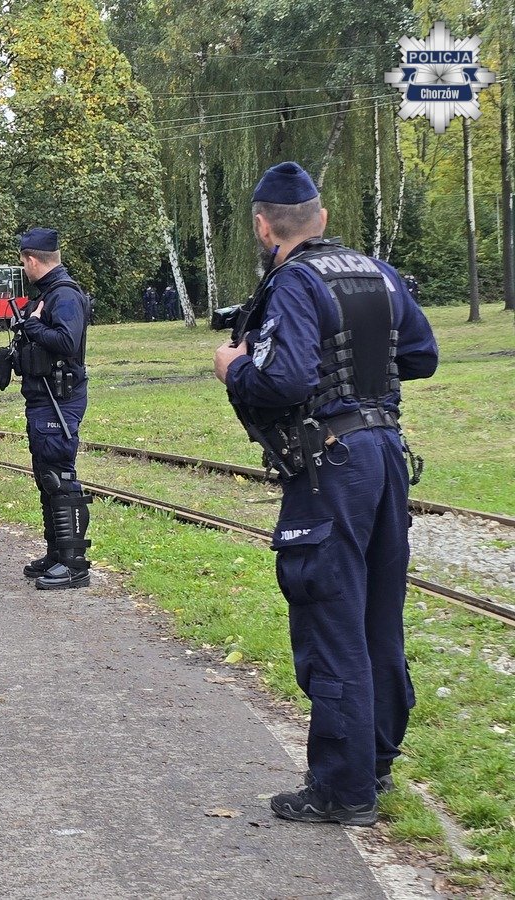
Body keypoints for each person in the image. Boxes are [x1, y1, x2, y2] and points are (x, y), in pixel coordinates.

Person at [214, 161, 438, 826]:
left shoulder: (293, 283)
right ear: (324, 216)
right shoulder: (377, 272)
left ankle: (342, 789)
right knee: (378, 615)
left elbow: (281, 382)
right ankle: (375, 760)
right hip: (387, 455)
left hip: (330, 465)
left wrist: (235, 369)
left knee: (330, 616)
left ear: (264, 226)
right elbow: (421, 356)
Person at [6, 228, 92, 590]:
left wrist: (34, 326)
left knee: (59, 476)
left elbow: (66, 342)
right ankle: (57, 551)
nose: (23, 268)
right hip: (43, 396)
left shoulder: (65, 295)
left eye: (23, 261)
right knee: (46, 476)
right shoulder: (47, 295)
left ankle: (74, 563)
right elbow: (38, 341)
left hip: (60, 398)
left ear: (32, 260)